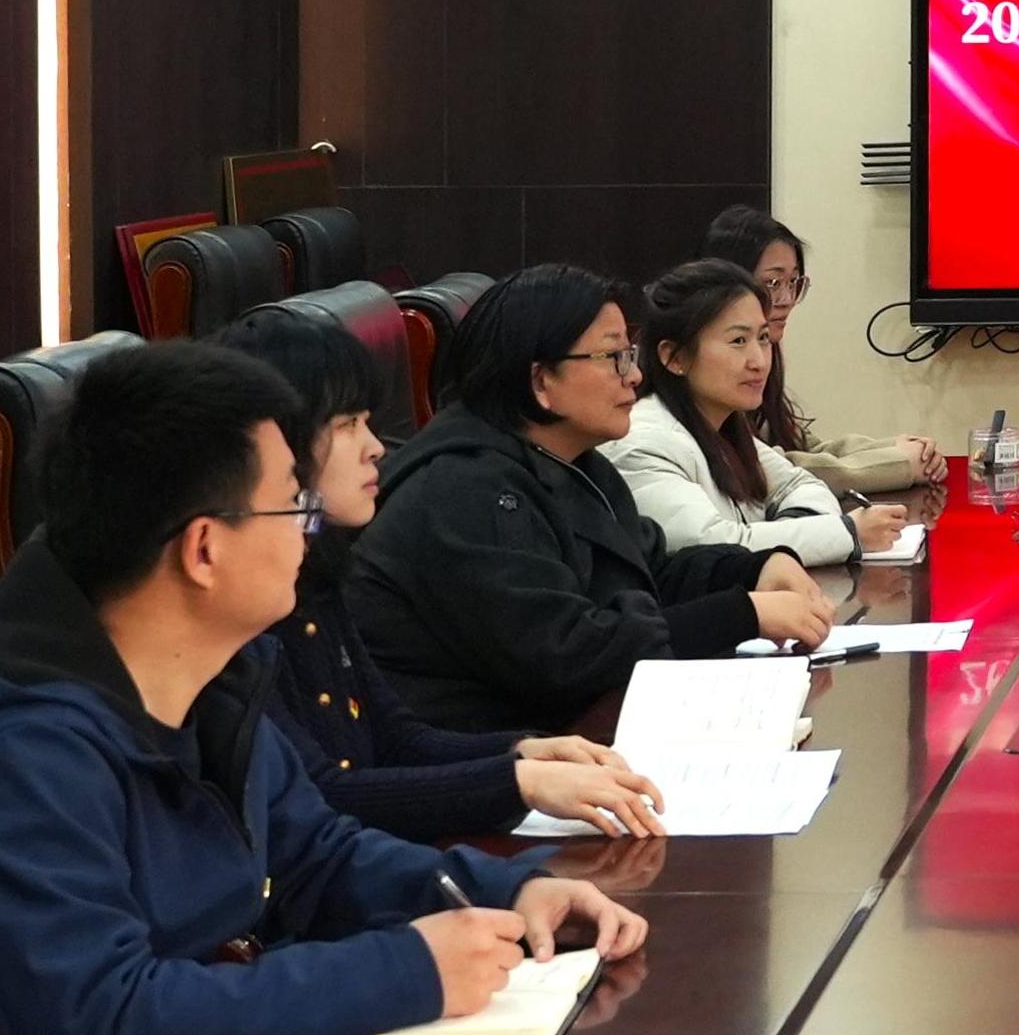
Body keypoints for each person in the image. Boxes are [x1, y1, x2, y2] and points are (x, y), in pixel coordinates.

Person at [0, 342, 641, 1035]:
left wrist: (505, 890)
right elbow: (106, 1022)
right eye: (292, 505)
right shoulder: (9, 760)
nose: (309, 529)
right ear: (203, 548)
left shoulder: (204, 679)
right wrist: (408, 970)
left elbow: (316, 856)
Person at [221, 306, 670, 846]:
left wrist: (523, 751)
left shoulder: (318, 569)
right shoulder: (242, 606)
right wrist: (517, 782)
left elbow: (396, 737)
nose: (376, 447)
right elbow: (321, 797)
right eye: (347, 425)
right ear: (278, 445)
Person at [353, 264, 839, 732]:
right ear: (541, 381)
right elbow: (563, 653)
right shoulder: (463, 489)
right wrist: (742, 614)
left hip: (565, 741)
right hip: (484, 761)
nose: (635, 376)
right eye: (614, 358)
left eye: (630, 354)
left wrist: (753, 570)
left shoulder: (576, 462)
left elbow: (650, 571)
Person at [613, 257, 898, 572]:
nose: (759, 361)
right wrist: (846, 533)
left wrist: (789, 528)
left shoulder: (722, 425)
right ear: (674, 357)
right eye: (738, 341)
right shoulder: (643, 443)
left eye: (763, 338)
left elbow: (800, 485)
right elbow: (716, 548)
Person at [697, 206, 942, 500]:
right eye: (772, 284)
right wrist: (898, 463)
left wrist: (900, 449)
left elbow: (800, 445)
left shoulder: (765, 354)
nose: (786, 299)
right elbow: (772, 469)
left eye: (794, 283)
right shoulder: (708, 364)